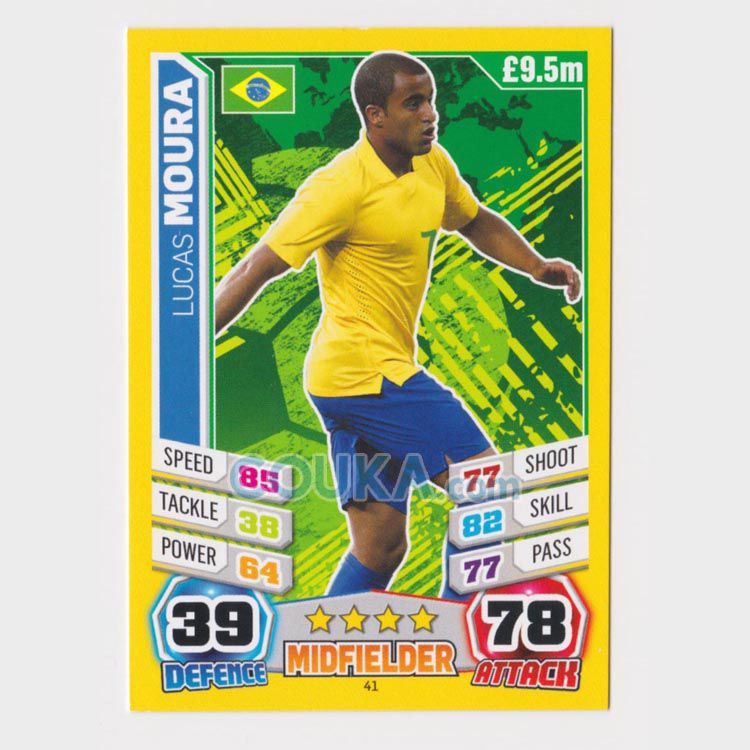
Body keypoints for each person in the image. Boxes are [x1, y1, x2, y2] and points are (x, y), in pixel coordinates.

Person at [215, 51, 581, 599]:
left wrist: (535, 265)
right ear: (375, 115)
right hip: (367, 376)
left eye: (430, 99)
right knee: (490, 493)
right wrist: (185, 348)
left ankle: (322, 640)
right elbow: (255, 267)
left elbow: (474, 220)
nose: (430, 114)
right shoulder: (339, 186)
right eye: (413, 104)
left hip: (347, 383)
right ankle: (454, 634)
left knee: (380, 546)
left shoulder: (431, 164)